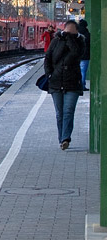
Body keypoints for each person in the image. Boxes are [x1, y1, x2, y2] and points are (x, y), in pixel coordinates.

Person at [44, 20, 86, 150]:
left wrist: (69, 39)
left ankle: (65, 138)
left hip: (72, 82)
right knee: (59, 113)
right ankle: (61, 138)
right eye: (67, 33)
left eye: (72, 33)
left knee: (68, 111)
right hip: (56, 82)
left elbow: (76, 53)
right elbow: (49, 58)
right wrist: (49, 75)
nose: (69, 35)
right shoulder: (56, 41)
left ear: (77, 32)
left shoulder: (80, 42)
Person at [78, 19, 91, 91]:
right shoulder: (87, 33)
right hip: (85, 55)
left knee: (77, 71)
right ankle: (82, 86)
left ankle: (77, 85)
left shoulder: (76, 33)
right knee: (83, 71)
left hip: (76, 55)